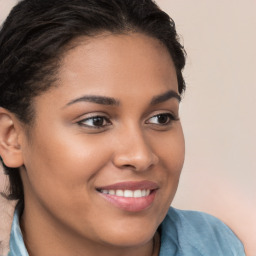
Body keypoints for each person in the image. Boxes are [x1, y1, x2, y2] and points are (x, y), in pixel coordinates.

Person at [0, 0, 245, 255]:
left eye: (160, 118)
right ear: (11, 137)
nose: (140, 156)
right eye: (96, 121)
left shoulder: (218, 244)